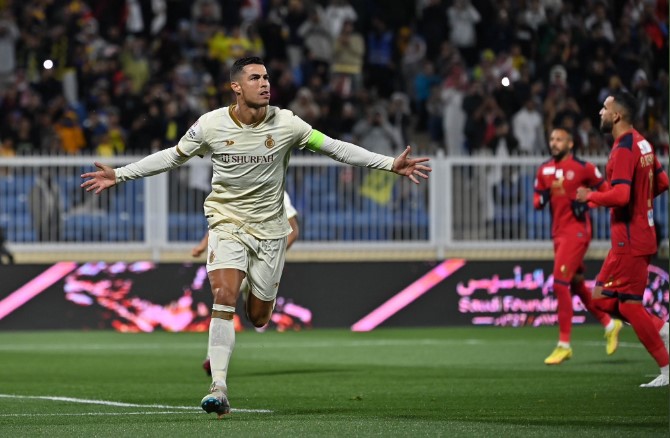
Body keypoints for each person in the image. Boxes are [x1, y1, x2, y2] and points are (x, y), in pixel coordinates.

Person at [81, 56, 431, 418]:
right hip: (226, 224)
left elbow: (336, 147)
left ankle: (252, 311)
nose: (265, 83)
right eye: (255, 78)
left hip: (270, 231)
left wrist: (389, 163)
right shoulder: (210, 125)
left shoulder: (287, 123)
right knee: (224, 295)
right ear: (236, 87)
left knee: (259, 316)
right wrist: (119, 174)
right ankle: (218, 386)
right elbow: (173, 157)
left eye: (266, 77)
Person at [576, 90, 669, 387]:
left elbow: (621, 195)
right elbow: (663, 181)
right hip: (639, 234)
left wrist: (590, 195)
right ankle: (662, 329)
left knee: (628, 305)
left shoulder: (624, 149)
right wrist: (642, 204)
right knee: (602, 298)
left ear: (617, 115)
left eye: (605, 108)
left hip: (629, 239)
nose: (600, 113)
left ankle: (666, 366)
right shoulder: (643, 142)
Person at [534, 127, 620, 365]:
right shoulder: (544, 169)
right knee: (577, 285)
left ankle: (564, 345)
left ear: (570, 144)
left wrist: (589, 202)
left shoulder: (583, 167)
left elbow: (607, 192)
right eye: (552, 138)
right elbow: (536, 200)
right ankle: (610, 323)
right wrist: (541, 199)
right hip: (558, 234)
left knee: (559, 283)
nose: (554, 142)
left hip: (578, 232)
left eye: (559, 139)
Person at [194, 190, 299, 375]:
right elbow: (221, 223)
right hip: (238, 257)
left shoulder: (276, 191)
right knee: (224, 299)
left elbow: (292, 229)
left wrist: (275, 257)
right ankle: (213, 358)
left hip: (263, 259)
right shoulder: (235, 184)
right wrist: (203, 245)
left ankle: (215, 355)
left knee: (255, 315)